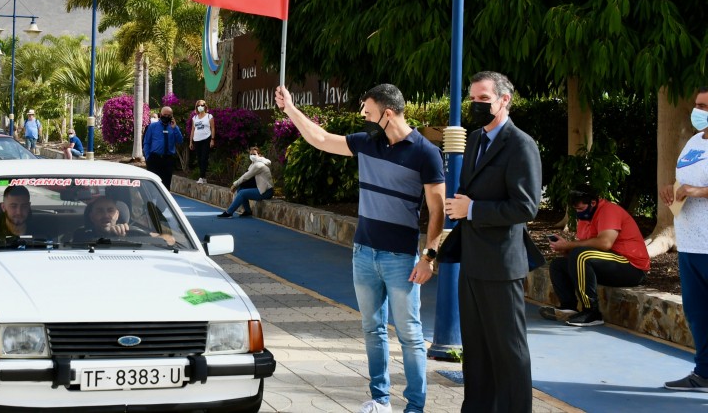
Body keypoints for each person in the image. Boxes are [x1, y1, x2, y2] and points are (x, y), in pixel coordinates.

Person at [277, 83, 444, 413]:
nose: (362, 116)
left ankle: (415, 407)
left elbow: (437, 211)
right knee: (372, 329)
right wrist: (291, 110)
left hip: (401, 259)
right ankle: (380, 400)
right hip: (363, 253)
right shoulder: (368, 143)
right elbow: (322, 139)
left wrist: (429, 257)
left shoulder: (426, 153)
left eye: (367, 112)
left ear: (388, 113)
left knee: (410, 336)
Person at [441, 71, 543, 413]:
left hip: (501, 265)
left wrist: (472, 209)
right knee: (477, 349)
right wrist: (461, 207)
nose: (476, 105)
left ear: (504, 100)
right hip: (472, 261)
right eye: (473, 98)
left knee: (509, 351)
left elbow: (526, 206)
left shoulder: (521, 144)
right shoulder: (474, 139)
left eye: (483, 99)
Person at [658, 86, 708, 392]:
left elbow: (696, 187)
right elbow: (683, 182)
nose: (699, 111)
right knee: (697, 312)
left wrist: (698, 191)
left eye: (705, 106)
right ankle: (703, 373)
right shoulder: (693, 141)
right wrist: (671, 188)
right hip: (690, 243)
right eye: (698, 105)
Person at [543, 188, 650, 327]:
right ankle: (568, 307)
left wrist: (569, 245)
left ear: (593, 203)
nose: (578, 212)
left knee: (580, 255)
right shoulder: (584, 218)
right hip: (608, 263)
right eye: (576, 209)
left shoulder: (609, 211)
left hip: (632, 267)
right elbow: (586, 250)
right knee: (558, 264)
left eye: (581, 208)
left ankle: (592, 312)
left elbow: (605, 243)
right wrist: (565, 250)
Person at [219, 147, 273, 218]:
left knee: (242, 193)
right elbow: (247, 178)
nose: (252, 156)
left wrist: (234, 185)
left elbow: (246, 176)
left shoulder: (258, 165)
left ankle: (229, 212)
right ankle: (248, 211)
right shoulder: (253, 164)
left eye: (254, 154)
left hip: (266, 191)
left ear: (259, 155)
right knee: (240, 189)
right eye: (251, 154)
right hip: (260, 189)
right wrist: (239, 186)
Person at [143, 106, 184, 189]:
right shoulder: (152, 126)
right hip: (154, 159)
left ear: (172, 116)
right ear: (160, 114)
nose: (166, 117)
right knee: (152, 186)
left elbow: (180, 141)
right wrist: (148, 157)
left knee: (166, 186)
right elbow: (146, 142)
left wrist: (175, 128)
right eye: (165, 115)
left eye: (169, 115)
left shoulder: (174, 127)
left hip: (168, 159)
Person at [188, 100, 215, 183]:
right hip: (197, 140)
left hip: (206, 139)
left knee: (204, 158)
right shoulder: (194, 118)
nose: (200, 107)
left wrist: (212, 139)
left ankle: (201, 176)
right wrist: (191, 142)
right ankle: (203, 178)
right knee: (199, 159)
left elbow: (213, 128)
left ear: (205, 106)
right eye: (198, 106)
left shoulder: (209, 116)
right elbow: (193, 129)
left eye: (202, 105)